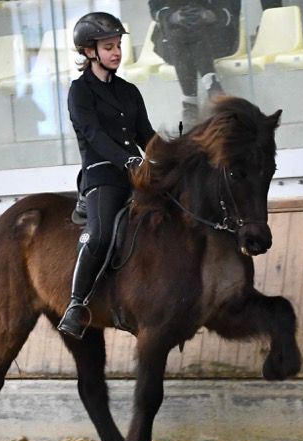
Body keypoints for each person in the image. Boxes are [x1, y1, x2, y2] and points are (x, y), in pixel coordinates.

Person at [59, 12, 156, 339]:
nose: (116, 52)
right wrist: (128, 160)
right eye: (108, 46)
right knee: (100, 235)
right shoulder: (80, 92)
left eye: (118, 45)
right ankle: (76, 303)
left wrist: (169, 157)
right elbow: (94, 135)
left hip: (135, 172)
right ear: (89, 52)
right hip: (103, 175)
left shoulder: (129, 91)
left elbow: (147, 135)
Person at [148, 0, 240, 131]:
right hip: (172, 37)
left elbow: (232, 8)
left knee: (188, 31)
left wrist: (211, 15)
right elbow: (156, 9)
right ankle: (213, 85)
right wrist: (173, 17)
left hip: (214, 35)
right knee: (179, 32)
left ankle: (189, 104)